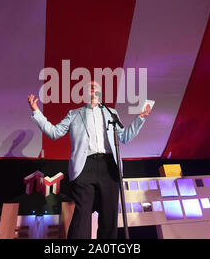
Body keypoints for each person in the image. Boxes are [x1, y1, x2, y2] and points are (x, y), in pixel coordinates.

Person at [28, 81, 151, 239]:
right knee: (82, 214)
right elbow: (54, 132)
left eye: (96, 86)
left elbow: (125, 137)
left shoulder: (111, 113)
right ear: (85, 94)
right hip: (84, 166)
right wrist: (37, 112)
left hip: (109, 166)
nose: (93, 88)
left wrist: (140, 118)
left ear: (101, 93)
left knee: (109, 214)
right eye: (89, 87)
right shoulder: (74, 114)